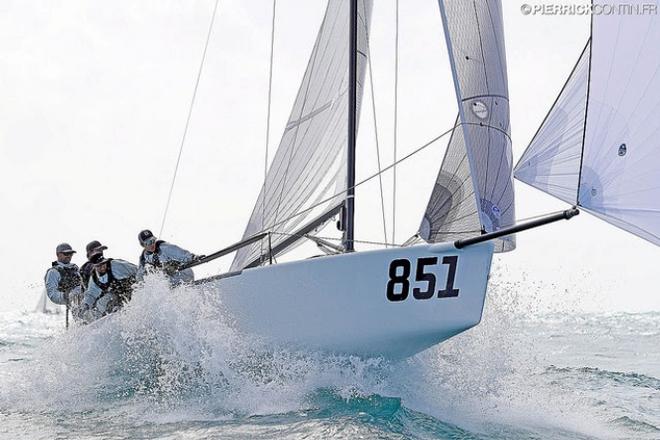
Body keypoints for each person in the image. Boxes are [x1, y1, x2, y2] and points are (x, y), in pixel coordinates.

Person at [80, 252, 137, 322]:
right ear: (95, 266)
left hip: (133, 288)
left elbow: (136, 270)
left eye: (103, 264)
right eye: (99, 266)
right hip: (117, 294)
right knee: (101, 303)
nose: (102, 267)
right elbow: (91, 294)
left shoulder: (117, 265)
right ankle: (95, 322)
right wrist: (86, 305)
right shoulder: (95, 278)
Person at [136, 229, 201, 285]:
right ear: (143, 245)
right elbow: (140, 276)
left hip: (183, 275)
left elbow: (179, 253)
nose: (152, 244)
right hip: (169, 284)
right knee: (154, 276)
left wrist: (192, 257)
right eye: (148, 243)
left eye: (153, 241)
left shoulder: (164, 248)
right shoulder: (143, 259)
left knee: (164, 272)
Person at [44, 243, 82, 308]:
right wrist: (67, 296)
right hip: (70, 306)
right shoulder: (53, 272)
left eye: (71, 254)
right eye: (66, 254)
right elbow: (52, 295)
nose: (69, 256)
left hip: (82, 301)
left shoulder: (75, 268)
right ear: (58, 254)